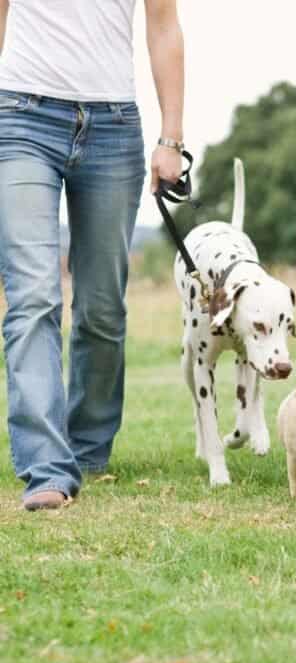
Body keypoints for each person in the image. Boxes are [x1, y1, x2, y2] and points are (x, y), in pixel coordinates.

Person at [0, 0, 185, 510]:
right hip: (20, 116)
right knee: (34, 297)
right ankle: (46, 468)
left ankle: (87, 450)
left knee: (102, 306)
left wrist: (171, 137)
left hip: (113, 126)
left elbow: (164, 26)